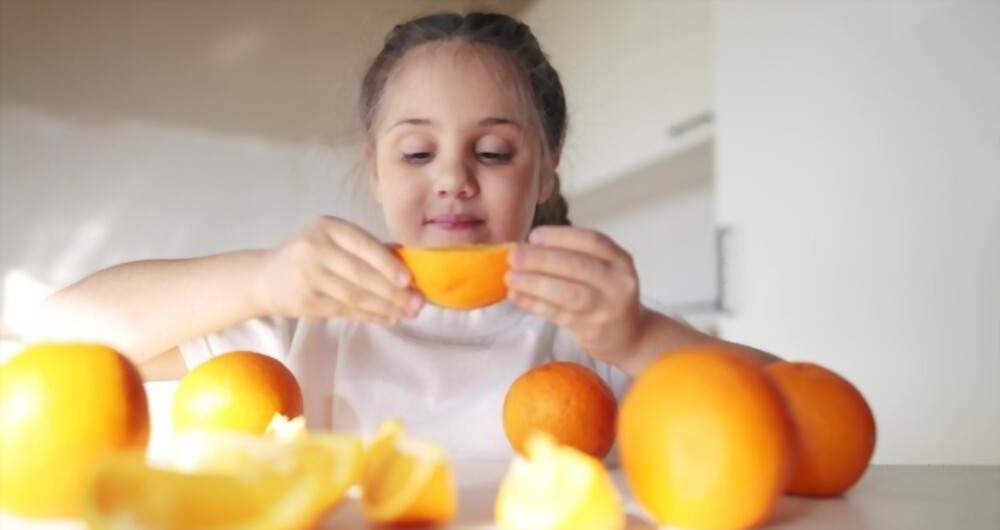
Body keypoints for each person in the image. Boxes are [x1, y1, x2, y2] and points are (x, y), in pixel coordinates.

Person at [25, 11, 779, 460]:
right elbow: (53, 331)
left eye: (492, 152)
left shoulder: (593, 335)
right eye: (417, 153)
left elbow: (791, 412)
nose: (452, 178)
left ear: (544, 172)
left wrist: (641, 335)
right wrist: (260, 279)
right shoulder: (306, 323)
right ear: (377, 172)